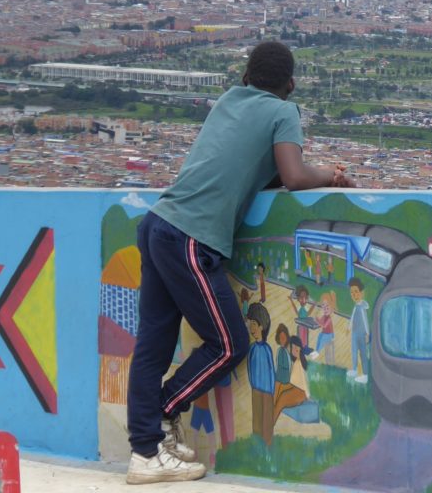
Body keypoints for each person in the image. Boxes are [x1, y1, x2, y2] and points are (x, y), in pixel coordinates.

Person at [125, 41, 355, 484]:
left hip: (157, 224)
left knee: (152, 345)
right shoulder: (283, 112)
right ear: (290, 84)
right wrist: (330, 175)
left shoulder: (230, 99)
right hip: (191, 238)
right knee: (230, 343)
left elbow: (255, 167)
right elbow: (291, 176)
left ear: (246, 76)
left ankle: (144, 452)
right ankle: (165, 410)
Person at [245, 303, 274, 447]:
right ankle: (257, 447)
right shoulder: (252, 349)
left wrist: (272, 389)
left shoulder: (267, 349)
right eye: (250, 324)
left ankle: (267, 446)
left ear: (262, 326)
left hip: (268, 391)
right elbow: (249, 368)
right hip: (256, 389)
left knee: (267, 421)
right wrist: (252, 385)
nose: (252, 328)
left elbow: (271, 370)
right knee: (257, 419)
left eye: (254, 324)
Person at [273, 334, 309, 424]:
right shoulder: (296, 362)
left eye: (297, 346)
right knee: (279, 386)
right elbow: (293, 381)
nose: (295, 349)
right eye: (292, 347)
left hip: (301, 392)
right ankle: (271, 409)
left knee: (282, 398)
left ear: (300, 347)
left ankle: (270, 423)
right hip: (295, 388)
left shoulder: (301, 362)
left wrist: (307, 396)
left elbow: (304, 383)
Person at [348, 278, 370, 384]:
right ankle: (355, 369)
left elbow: (365, 321)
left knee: (363, 353)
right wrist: (349, 327)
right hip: (354, 333)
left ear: (361, 293)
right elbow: (352, 317)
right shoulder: (355, 306)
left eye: (356, 292)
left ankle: (365, 375)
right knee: (354, 351)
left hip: (362, 334)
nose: (354, 295)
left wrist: (367, 334)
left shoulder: (362, 307)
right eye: (352, 293)